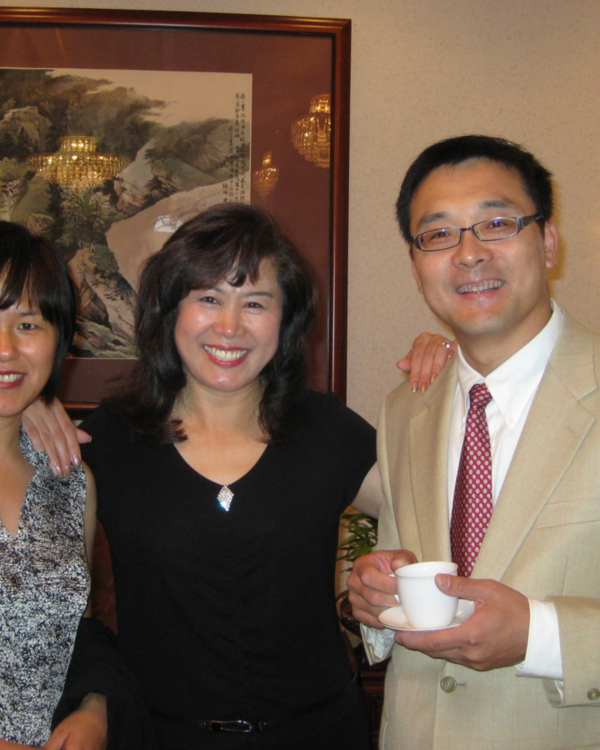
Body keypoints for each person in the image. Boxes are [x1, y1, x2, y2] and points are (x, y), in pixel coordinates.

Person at [22, 203, 454, 750]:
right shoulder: (106, 441)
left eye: (255, 302)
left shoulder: (325, 429)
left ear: (285, 318)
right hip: (158, 737)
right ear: (169, 310)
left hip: (320, 734)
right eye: (207, 298)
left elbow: (441, 506)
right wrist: (20, 409)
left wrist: (457, 372)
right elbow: (56, 606)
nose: (229, 327)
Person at [348, 134, 600, 749]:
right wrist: (377, 598)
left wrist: (540, 634)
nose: (468, 253)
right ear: (416, 266)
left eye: (496, 223)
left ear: (548, 241)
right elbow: (406, 573)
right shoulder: (405, 408)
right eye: (438, 234)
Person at [0, 221, 107, 749]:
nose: (5, 349)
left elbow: (78, 635)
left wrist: (95, 708)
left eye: (28, 324)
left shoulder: (70, 481)